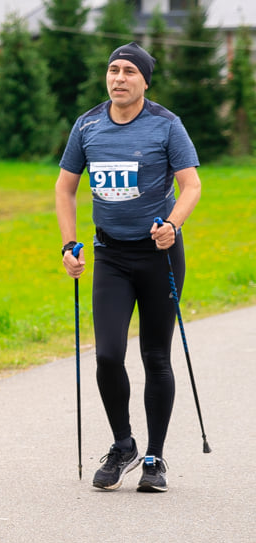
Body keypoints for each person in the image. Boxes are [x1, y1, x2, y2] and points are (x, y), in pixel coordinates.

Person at [55, 42, 201, 493]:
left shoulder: (166, 124)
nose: (119, 78)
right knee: (106, 354)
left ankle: (154, 458)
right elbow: (65, 190)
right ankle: (123, 445)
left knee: (156, 356)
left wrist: (172, 226)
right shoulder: (88, 125)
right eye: (113, 70)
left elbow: (191, 185)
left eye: (129, 72)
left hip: (159, 254)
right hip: (111, 256)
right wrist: (69, 245)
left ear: (144, 81)